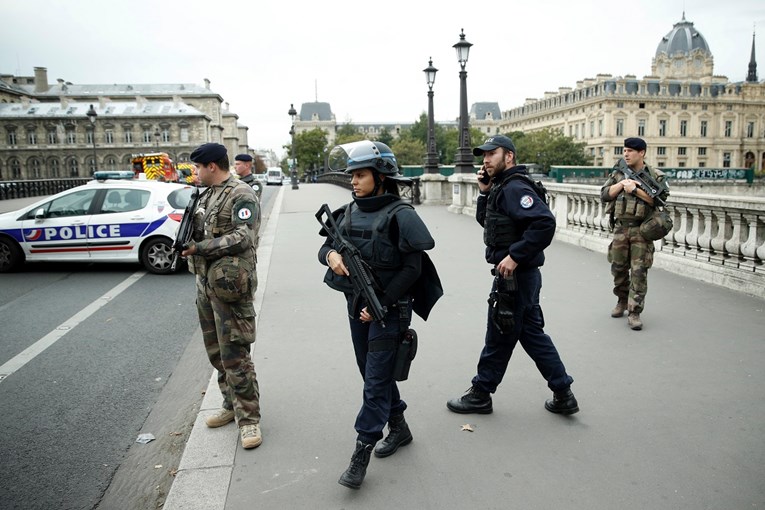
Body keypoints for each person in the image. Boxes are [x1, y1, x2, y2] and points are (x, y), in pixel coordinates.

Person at [317, 140, 442, 489]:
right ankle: (399, 427)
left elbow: (413, 268)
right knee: (371, 371)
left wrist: (381, 303)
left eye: (360, 175)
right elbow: (326, 245)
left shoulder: (402, 214)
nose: (353, 181)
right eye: (352, 175)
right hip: (357, 306)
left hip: (391, 309)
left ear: (381, 176)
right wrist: (331, 257)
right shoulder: (349, 211)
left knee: (374, 382)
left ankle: (361, 452)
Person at [446, 135, 578, 417]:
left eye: (492, 154)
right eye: (483, 156)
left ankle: (481, 393)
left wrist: (515, 255)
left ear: (509, 157)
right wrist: (483, 192)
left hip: (515, 278)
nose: (486, 160)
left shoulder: (515, 188)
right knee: (531, 334)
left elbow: (544, 223)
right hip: (522, 277)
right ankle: (563, 392)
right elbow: (492, 224)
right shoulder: (502, 188)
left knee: (499, 334)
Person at [181, 143, 263, 449]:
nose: (196, 173)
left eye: (198, 168)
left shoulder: (241, 193)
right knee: (217, 352)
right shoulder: (207, 194)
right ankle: (231, 405)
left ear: (212, 166)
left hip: (231, 288)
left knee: (235, 354)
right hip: (206, 284)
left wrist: (201, 248)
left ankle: (249, 420)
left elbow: (245, 236)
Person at [601, 137, 669, 331]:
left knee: (639, 272)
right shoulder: (618, 173)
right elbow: (604, 194)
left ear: (642, 153)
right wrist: (622, 185)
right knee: (618, 269)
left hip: (642, 229)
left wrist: (635, 190)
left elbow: (660, 201)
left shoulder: (655, 176)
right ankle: (622, 300)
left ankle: (634, 312)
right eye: (624, 150)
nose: (626, 154)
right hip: (621, 228)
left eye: (630, 151)